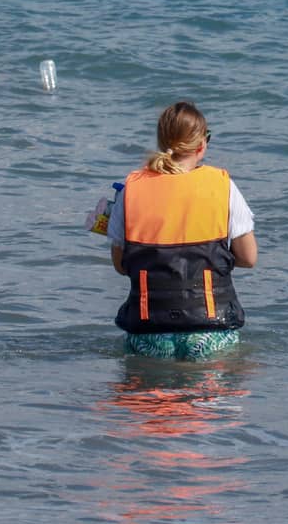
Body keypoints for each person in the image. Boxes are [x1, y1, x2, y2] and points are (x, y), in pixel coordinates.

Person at [108, 101, 258, 359]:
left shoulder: (131, 189)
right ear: (201, 145)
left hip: (149, 330)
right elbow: (248, 258)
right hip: (210, 331)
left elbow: (121, 265)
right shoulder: (222, 187)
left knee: (149, 397)